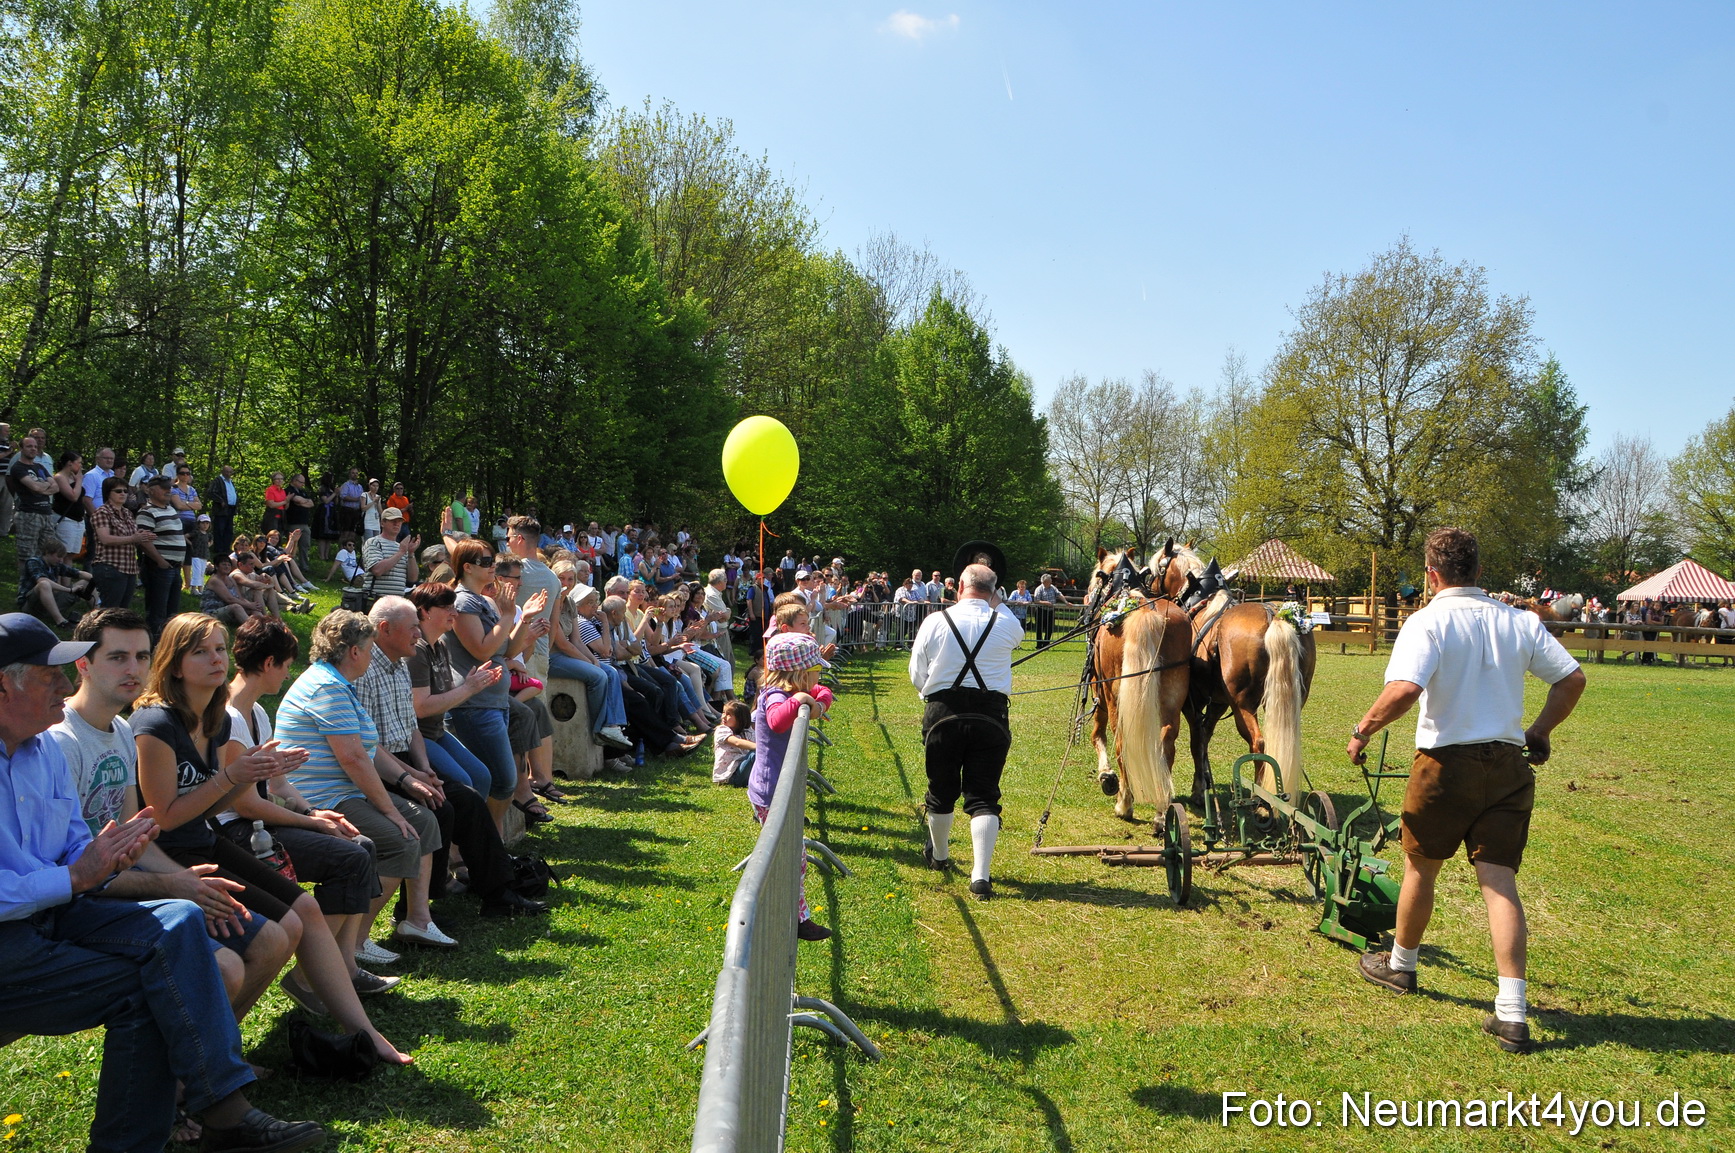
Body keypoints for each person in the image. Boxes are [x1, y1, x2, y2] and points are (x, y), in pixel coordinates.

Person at [0, 612, 328, 1153]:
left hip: (58, 912)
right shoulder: (66, 741)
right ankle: (221, 1113)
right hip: (15, 935)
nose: (63, 685)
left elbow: (76, 849)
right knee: (156, 990)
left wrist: (112, 861)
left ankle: (217, 1110)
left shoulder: (39, 751)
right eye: (48, 674)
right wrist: (82, 875)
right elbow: (67, 871)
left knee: (181, 921)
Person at [132, 613, 413, 1069]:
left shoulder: (217, 720)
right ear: (176, 663)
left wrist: (254, 781)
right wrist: (231, 778)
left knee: (303, 912)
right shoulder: (155, 723)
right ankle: (206, 1057)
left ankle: (361, 1031)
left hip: (203, 840)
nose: (217, 659)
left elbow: (210, 807)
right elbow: (163, 819)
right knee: (274, 937)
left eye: (221, 649)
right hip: (168, 857)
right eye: (201, 651)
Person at [1347, 527, 1585, 1054]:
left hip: (1444, 766)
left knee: (1419, 867)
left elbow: (1405, 689)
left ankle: (1401, 967)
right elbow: (1571, 679)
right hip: (1506, 765)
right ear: (1477, 570)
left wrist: (1362, 730)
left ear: (1432, 575)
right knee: (1499, 884)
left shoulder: (1426, 622)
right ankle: (1512, 1013)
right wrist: (1540, 731)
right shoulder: (1520, 621)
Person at [219, 616, 396, 994]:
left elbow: (278, 783)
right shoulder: (229, 717)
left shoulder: (258, 712)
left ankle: (343, 967)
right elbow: (247, 805)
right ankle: (310, 977)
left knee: (360, 846)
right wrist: (312, 824)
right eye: (284, 666)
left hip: (258, 825)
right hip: (234, 833)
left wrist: (311, 812)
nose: (287, 675)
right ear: (269, 664)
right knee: (348, 857)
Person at [359, 597, 546, 918]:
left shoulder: (398, 661)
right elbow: (366, 748)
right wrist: (411, 774)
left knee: (469, 800)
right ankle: (418, 906)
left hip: (405, 757)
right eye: (412, 627)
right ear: (384, 629)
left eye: (419, 625)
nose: (418, 633)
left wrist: (424, 766)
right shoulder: (365, 669)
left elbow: (410, 727)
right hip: (378, 767)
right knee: (442, 807)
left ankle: (498, 893)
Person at [276, 611, 451, 953]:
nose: (371, 656)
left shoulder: (339, 683)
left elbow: (367, 749)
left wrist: (409, 777)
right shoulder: (328, 687)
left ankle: (417, 920)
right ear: (354, 651)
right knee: (401, 838)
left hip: (344, 792)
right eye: (370, 648)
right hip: (321, 798)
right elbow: (353, 759)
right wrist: (392, 812)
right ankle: (352, 942)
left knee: (425, 822)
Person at [908, 559, 1023, 900]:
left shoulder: (935, 621)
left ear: (958, 587)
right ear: (994, 592)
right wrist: (996, 601)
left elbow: (917, 672)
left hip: (943, 713)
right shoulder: (1005, 622)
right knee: (984, 795)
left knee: (941, 789)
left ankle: (940, 856)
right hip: (990, 716)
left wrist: (931, 694)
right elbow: (1011, 629)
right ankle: (980, 876)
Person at [441, 540, 542, 832]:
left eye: (492, 562)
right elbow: (482, 651)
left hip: (493, 702)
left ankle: (491, 843)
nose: (492, 567)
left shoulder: (484, 601)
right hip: (475, 705)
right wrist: (509, 615)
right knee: (502, 780)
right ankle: (488, 841)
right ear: (467, 567)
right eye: (486, 562)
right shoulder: (462, 602)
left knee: (500, 780)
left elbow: (507, 651)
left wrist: (526, 620)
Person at [752, 633, 832, 940]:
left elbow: (824, 693)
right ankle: (793, 917)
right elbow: (776, 722)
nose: (819, 676)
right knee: (788, 858)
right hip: (773, 791)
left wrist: (814, 703)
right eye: (815, 670)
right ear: (799, 673)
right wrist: (800, 701)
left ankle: (792, 912)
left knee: (792, 855)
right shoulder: (776, 696)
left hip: (780, 789)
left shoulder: (791, 690)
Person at [135, 474, 187, 639]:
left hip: (174, 568)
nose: (168, 490)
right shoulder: (146, 512)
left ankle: (168, 645)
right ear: (150, 491)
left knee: (172, 612)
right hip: (159, 568)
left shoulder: (171, 509)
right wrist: (160, 560)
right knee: (157, 612)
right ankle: (153, 646)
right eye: (163, 487)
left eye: (169, 487)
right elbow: (143, 541)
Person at [89, 475, 149, 610]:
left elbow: (133, 536)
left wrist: (144, 537)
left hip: (130, 568)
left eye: (125, 491)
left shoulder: (127, 513)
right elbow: (105, 538)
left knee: (123, 611)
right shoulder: (102, 512)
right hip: (110, 567)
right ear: (108, 493)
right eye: (118, 491)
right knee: (109, 610)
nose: (123, 494)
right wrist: (133, 538)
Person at [9, 433, 57, 590]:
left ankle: (42, 586)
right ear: (21, 448)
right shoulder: (18, 468)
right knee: (27, 554)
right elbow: (35, 487)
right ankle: (24, 588)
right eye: (29, 446)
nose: (33, 449)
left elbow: (55, 487)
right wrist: (43, 487)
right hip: (28, 514)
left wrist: (40, 488)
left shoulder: (40, 467)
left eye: (35, 446)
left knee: (47, 552)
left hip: (46, 514)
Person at [20, 535, 94, 628]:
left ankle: (100, 615)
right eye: (58, 556)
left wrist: (96, 580)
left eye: (62, 557)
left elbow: (78, 573)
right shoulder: (33, 562)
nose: (61, 560)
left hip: (50, 604)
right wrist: (69, 590)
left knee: (86, 582)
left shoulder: (56, 565)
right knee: (44, 584)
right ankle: (61, 622)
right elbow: (42, 580)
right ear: (48, 553)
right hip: (31, 606)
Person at [360, 506, 418, 601]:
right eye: (392, 521)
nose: (396, 524)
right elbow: (377, 570)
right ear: (382, 523)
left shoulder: (401, 547)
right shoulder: (374, 542)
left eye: (399, 521)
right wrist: (401, 552)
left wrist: (411, 554)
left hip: (397, 602)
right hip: (376, 600)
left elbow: (413, 578)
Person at [712, 699, 754, 787]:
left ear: (740, 719)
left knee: (759, 754)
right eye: (723, 712)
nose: (723, 716)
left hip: (743, 770)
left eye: (728, 714)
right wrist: (761, 747)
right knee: (754, 755)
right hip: (731, 776)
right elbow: (737, 742)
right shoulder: (722, 730)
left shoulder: (747, 732)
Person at [209, 463, 240, 560]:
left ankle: (226, 549)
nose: (229, 473)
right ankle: (219, 550)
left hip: (230, 509)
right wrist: (221, 500)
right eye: (227, 471)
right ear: (222, 471)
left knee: (228, 530)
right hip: (221, 510)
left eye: (230, 472)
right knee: (219, 529)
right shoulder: (218, 480)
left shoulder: (231, 482)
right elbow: (211, 492)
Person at [1031, 572, 1063, 649]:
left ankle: (1046, 644)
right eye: (1049, 581)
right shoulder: (1039, 589)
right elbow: (1036, 600)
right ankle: (1039, 645)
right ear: (1044, 582)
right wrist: (1045, 603)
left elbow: (1059, 594)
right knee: (1039, 628)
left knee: (1050, 628)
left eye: (1050, 581)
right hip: (1041, 610)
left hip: (1050, 611)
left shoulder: (1053, 588)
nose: (1050, 582)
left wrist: (1066, 602)